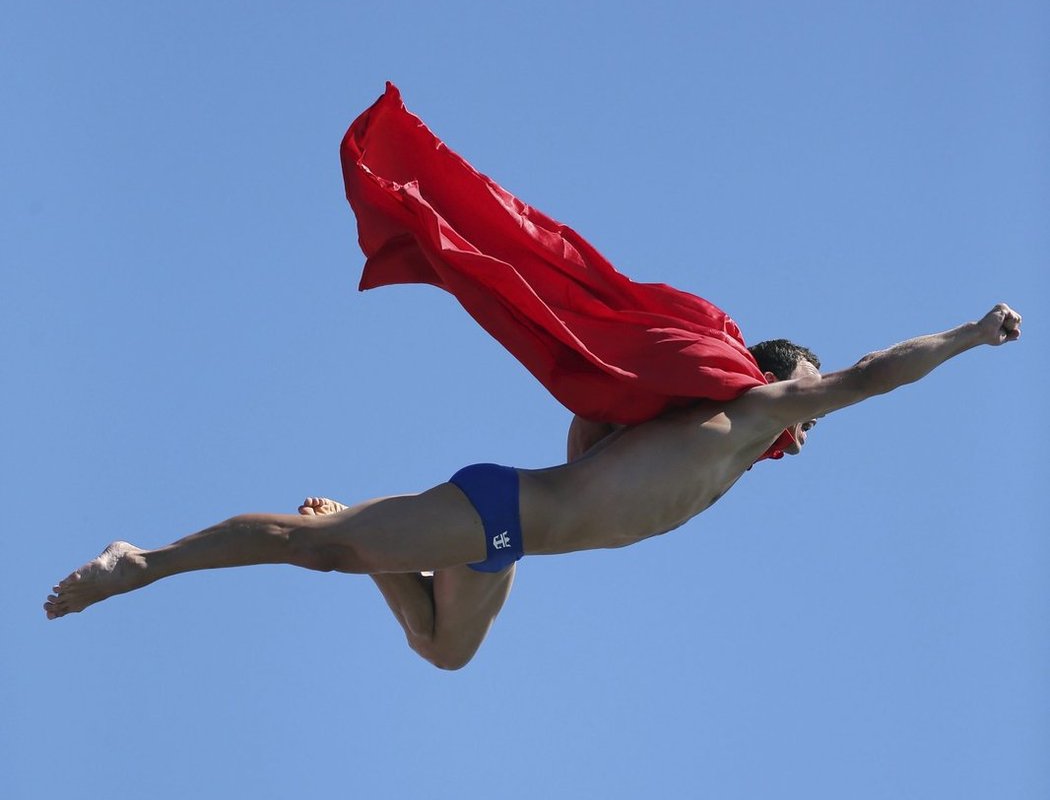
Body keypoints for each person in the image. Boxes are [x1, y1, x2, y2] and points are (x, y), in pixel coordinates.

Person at [44, 304, 1021, 666]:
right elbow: (878, 371)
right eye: (807, 410)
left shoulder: (705, 444)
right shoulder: (752, 414)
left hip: (504, 542)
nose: (808, 432)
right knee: (324, 555)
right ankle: (144, 562)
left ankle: (354, 529)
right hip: (502, 507)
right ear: (783, 386)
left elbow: (588, 429)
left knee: (443, 648)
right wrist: (973, 336)